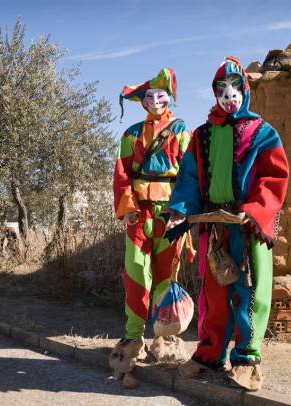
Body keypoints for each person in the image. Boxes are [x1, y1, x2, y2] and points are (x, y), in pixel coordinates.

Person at [165, 56, 289, 391]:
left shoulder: (263, 133)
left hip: (246, 225)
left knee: (249, 292)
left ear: (244, 91)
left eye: (235, 87)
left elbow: (274, 178)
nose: (228, 94)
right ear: (215, 92)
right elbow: (189, 178)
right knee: (213, 293)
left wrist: (254, 210)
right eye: (222, 88)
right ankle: (209, 354)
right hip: (212, 225)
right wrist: (180, 209)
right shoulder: (201, 135)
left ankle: (247, 360)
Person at [110, 68, 192, 384]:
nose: (156, 101)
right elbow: (122, 173)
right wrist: (128, 208)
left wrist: (181, 209)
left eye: (161, 95)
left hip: (170, 213)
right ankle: (133, 337)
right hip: (139, 214)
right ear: (142, 101)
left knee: (167, 275)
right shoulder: (131, 134)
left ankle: (164, 337)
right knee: (135, 272)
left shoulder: (182, 131)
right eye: (149, 96)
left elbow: (189, 174)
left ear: (170, 98)